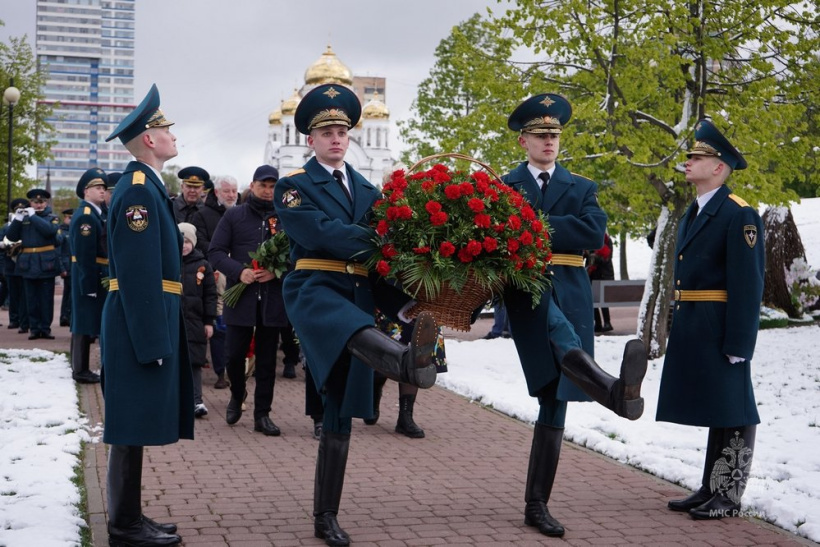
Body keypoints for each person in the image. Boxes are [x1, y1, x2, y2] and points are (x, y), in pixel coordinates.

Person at [273, 83, 439, 547]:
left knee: (340, 412)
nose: (336, 138)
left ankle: (326, 515)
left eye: (343, 130)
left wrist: (403, 303)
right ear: (310, 139)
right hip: (314, 287)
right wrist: (384, 245)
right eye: (326, 131)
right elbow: (320, 233)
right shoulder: (293, 187)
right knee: (349, 325)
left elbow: (376, 265)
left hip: (360, 292)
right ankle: (406, 362)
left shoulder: (368, 187)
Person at [501, 93, 648, 537]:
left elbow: (593, 233)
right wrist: (549, 231)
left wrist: (530, 226)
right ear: (524, 140)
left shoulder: (582, 186)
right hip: (528, 290)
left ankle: (536, 504)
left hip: (571, 289)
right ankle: (610, 388)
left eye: (555, 135)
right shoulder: (503, 186)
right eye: (541, 135)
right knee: (552, 330)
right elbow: (500, 234)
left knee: (555, 400)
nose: (550, 142)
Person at [658, 119, 764, 520]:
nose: (688, 162)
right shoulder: (698, 209)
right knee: (718, 406)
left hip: (720, 321)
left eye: (697, 157)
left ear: (718, 167)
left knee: (734, 406)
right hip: (696, 319)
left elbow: (748, 283)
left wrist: (739, 343)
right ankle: (711, 486)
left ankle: (730, 494)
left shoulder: (740, 214)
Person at [100, 83, 191, 547]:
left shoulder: (148, 188)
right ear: (150, 140)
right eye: (166, 129)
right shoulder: (138, 190)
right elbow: (137, 276)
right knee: (128, 425)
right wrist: (153, 340)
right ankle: (123, 526)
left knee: (134, 426)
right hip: (138, 322)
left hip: (144, 318)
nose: (174, 135)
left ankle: (131, 516)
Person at [209, 164, 295, 437]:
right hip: (241, 298)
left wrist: (277, 271)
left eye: (272, 187)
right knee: (234, 356)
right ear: (253, 185)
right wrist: (239, 271)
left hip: (272, 301)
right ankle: (237, 393)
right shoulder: (235, 215)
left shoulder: (286, 218)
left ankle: (262, 414)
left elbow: (298, 255)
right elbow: (216, 251)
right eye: (263, 186)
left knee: (268, 362)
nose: (268, 191)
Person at [365, 312, 449, 438]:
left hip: (424, 301)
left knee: (417, 355)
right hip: (393, 299)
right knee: (384, 350)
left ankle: (405, 417)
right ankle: (375, 390)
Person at [6, 188, 65, 340]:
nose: (39, 205)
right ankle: (34, 328)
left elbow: (49, 232)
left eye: (42, 202)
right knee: (30, 298)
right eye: (35, 202)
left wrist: (32, 217)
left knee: (46, 299)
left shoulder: (51, 217)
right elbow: (11, 237)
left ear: (46, 203)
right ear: (30, 203)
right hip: (28, 263)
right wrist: (18, 220)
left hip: (46, 263)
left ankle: (45, 328)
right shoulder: (24, 219)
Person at [69, 168, 109, 384]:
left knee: (85, 320)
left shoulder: (95, 213)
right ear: (86, 191)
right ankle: (80, 370)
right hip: (89, 274)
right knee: (84, 322)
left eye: (103, 187)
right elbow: (84, 255)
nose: (102, 191)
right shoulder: (86, 216)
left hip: (94, 273)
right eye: (97, 187)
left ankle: (79, 367)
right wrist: (89, 285)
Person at [178, 222, 217, 418]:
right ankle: (175, 399)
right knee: (174, 361)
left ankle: (196, 400)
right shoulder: (168, 261)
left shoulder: (203, 265)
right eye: (180, 241)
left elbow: (210, 294)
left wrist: (209, 321)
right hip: (174, 321)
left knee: (194, 362)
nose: (183, 245)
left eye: (187, 241)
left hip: (195, 321)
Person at [191, 174, 239, 257]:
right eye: (226, 191)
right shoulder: (201, 215)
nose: (231, 195)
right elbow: (200, 242)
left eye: (234, 191)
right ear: (217, 192)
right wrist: (224, 255)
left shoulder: (245, 212)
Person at [1, 198, 30, 333]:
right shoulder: (6, 227)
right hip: (10, 265)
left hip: (24, 264)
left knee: (25, 295)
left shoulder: (28, 224)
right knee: (13, 294)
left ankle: (24, 321)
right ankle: (14, 319)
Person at [587, 232, 614, 333]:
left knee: (603, 301)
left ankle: (607, 323)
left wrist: (594, 257)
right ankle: (597, 323)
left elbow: (607, 258)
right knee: (593, 301)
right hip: (592, 274)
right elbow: (587, 257)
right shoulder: (590, 240)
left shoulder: (606, 240)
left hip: (603, 274)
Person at [58, 208, 74, 327]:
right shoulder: (61, 232)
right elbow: (58, 252)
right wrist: (61, 268)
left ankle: (67, 315)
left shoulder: (74, 230)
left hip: (73, 266)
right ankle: (65, 316)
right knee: (68, 293)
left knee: (70, 293)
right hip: (67, 266)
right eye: (69, 218)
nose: (71, 220)